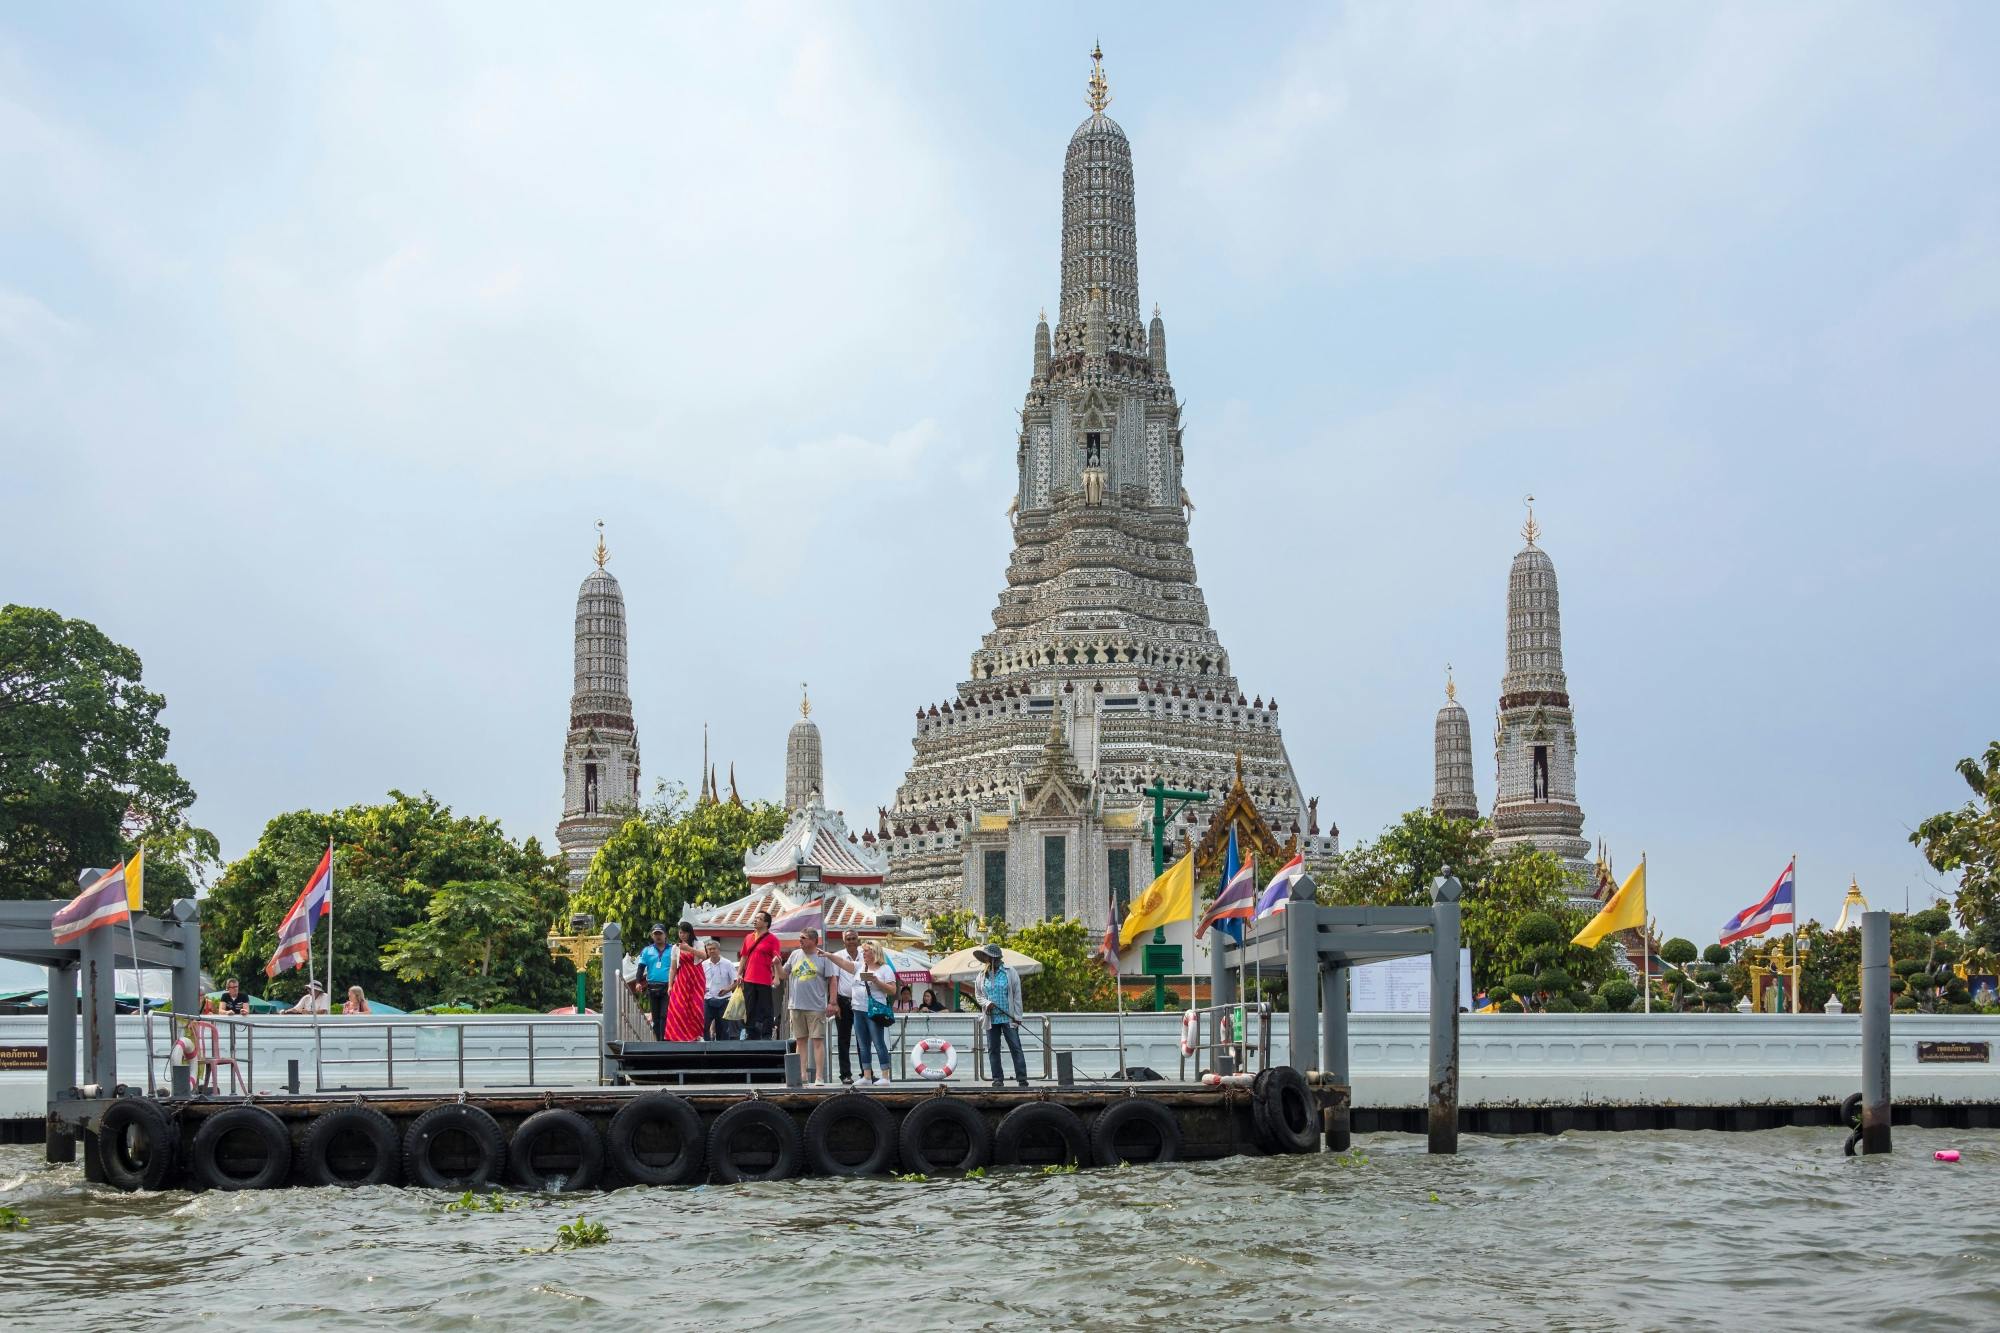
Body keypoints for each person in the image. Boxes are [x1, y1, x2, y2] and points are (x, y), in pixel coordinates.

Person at [783, 927, 858, 1084]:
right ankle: (802, 1075)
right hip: (796, 1005)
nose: (800, 940)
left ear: (813, 940)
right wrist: (776, 965)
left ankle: (819, 1076)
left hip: (816, 1005)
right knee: (800, 1041)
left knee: (817, 1041)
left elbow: (832, 979)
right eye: (800, 938)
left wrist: (832, 1002)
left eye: (803, 938)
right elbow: (783, 974)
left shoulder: (822, 956)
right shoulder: (795, 954)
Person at [975, 944, 1028, 1089]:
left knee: (1015, 1047)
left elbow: (1017, 996)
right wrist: (987, 1003)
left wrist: (1017, 1016)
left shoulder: (1010, 973)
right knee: (993, 1049)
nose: (985, 959)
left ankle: (1022, 1078)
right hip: (991, 1018)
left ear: (993, 958)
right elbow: (978, 995)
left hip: (1008, 1017)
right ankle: (997, 1079)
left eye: (987, 956)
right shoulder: (981, 975)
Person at [855, 941, 898, 1086]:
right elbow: (842, 963)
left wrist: (877, 981)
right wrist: (828, 955)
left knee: (878, 1042)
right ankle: (867, 1075)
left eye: (866, 951)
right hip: (858, 1008)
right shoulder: (861, 966)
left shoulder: (885, 969)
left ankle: (885, 1076)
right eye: (863, 951)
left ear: (875, 952)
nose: (863, 953)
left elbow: (892, 991)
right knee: (862, 1044)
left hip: (874, 1009)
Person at [739, 910, 783, 1040]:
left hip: (764, 979)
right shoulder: (748, 937)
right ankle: (751, 1033)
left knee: (766, 1008)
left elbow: (777, 958)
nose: (755, 920)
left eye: (758, 918)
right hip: (748, 978)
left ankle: (767, 1034)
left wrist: (776, 977)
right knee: (749, 1007)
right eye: (755, 917)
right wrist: (739, 974)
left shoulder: (772, 939)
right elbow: (744, 957)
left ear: (766, 923)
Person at [832, 928, 866, 1084]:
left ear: (858, 940)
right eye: (848, 939)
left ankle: (866, 1074)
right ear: (843, 941)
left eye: (854, 938)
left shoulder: (865, 954)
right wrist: (834, 1003)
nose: (851, 941)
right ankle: (845, 1074)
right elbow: (834, 980)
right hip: (844, 1001)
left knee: (863, 1039)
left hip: (862, 1002)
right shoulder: (838, 956)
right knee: (843, 1039)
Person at [663, 922, 707, 1042]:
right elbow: (673, 968)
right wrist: (670, 985)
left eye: (685, 932)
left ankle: (697, 1035)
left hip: (696, 978)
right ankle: (679, 1036)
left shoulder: (698, 944)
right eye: (680, 932)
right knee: (678, 1006)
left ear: (690, 933)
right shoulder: (675, 947)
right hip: (682, 977)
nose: (682, 935)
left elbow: (704, 956)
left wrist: (689, 949)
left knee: (696, 1006)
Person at [638, 924, 674, 1041]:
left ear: (665, 935)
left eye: (660, 934)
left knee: (665, 1015)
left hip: (667, 986)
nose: (658, 937)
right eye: (655, 934)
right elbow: (641, 967)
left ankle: (665, 1038)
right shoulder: (647, 951)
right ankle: (657, 1040)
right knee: (656, 1016)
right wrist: (638, 982)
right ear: (652, 936)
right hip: (652, 986)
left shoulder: (673, 949)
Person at [702, 937, 739, 1040]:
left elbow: (737, 982)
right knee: (704, 1025)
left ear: (719, 950)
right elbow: (699, 982)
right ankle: (706, 1047)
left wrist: (727, 989)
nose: (712, 951)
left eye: (714, 948)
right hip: (708, 999)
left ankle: (721, 1052)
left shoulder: (728, 964)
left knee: (723, 1028)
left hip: (724, 1000)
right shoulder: (703, 965)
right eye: (709, 949)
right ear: (707, 951)